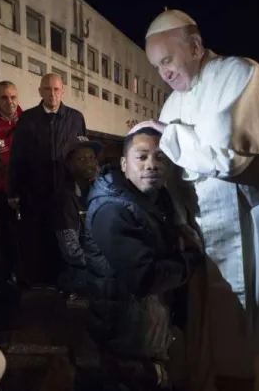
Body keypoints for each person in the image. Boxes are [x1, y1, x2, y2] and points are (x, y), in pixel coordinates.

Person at [129, 10, 259, 391]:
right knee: (216, 330)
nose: (164, 74)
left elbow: (231, 160)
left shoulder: (240, 74)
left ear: (195, 46)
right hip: (207, 232)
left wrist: (169, 134)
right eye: (157, 67)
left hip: (254, 224)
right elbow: (175, 173)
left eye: (167, 61)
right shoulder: (173, 104)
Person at [82, 127, 202, 391]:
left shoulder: (156, 200)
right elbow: (144, 278)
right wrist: (191, 260)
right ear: (124, 164)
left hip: (147, 334)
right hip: (127, 342)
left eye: (160, 158)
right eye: (142, 157)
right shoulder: (112, 209)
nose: (152, 165)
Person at [7, 73, 87, 285]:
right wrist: (13, 190)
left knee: (67, 240)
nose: (52, 94)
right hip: (35, 191)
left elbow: (84, 156)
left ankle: (66, 285)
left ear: (63, 91)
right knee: (39, 239)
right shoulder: (27, 119)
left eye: (56, 89)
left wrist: (85, 189)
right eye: (47, 89)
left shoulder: (76, 118)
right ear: (40, 91)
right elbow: (17, 156)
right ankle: (41, 287)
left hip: (65, 193)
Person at [52, 137, 101, 298]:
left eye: (92, 158)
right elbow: (71, 252)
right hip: (77, 273)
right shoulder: (66, 198)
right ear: (70, 165)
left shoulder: (98, 193)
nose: (89, 163)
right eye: (81, 159)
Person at [0, 81, 22, 281]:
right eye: (4, 97)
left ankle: (26, 273)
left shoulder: (28, 120)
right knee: (4, 235)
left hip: (24, 191)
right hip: (0, 192)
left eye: (13, 97)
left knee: (27, 234)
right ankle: (6, 275)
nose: (9, 101)